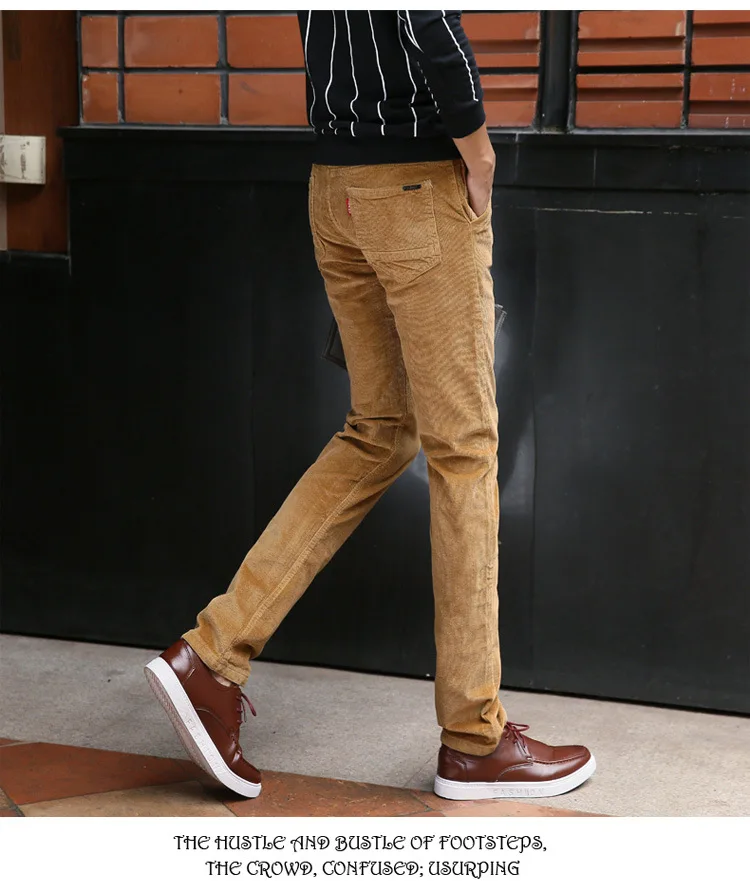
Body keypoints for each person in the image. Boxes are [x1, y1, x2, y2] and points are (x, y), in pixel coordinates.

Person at [144, 10, 596, 802]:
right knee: (463, 451)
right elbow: (426, 21)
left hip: (336, 185)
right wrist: (480, 152)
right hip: (417, 182)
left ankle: (210, 655)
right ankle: (474, 739)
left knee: (379, 430)